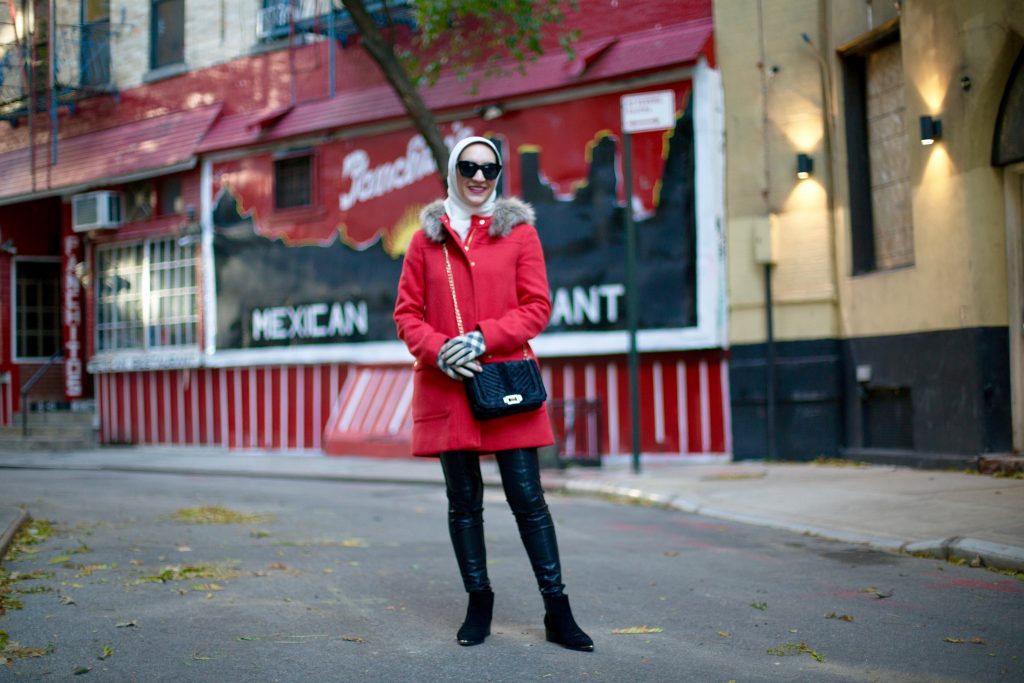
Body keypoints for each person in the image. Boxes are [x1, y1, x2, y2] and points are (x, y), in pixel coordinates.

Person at [393, 136, 593, 652]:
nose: (478, 177)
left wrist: (484, 338)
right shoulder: (424, 242)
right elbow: (407, 315)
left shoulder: (520, 234)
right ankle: (478, 602)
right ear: (452, 172)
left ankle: (557, 609)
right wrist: (441, 350)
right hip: (448, 387)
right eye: (468, 167)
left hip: (507, 384)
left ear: (499, 173)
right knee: (463, 503)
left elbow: (536, 308)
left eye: (489, 167)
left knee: (529, 500)